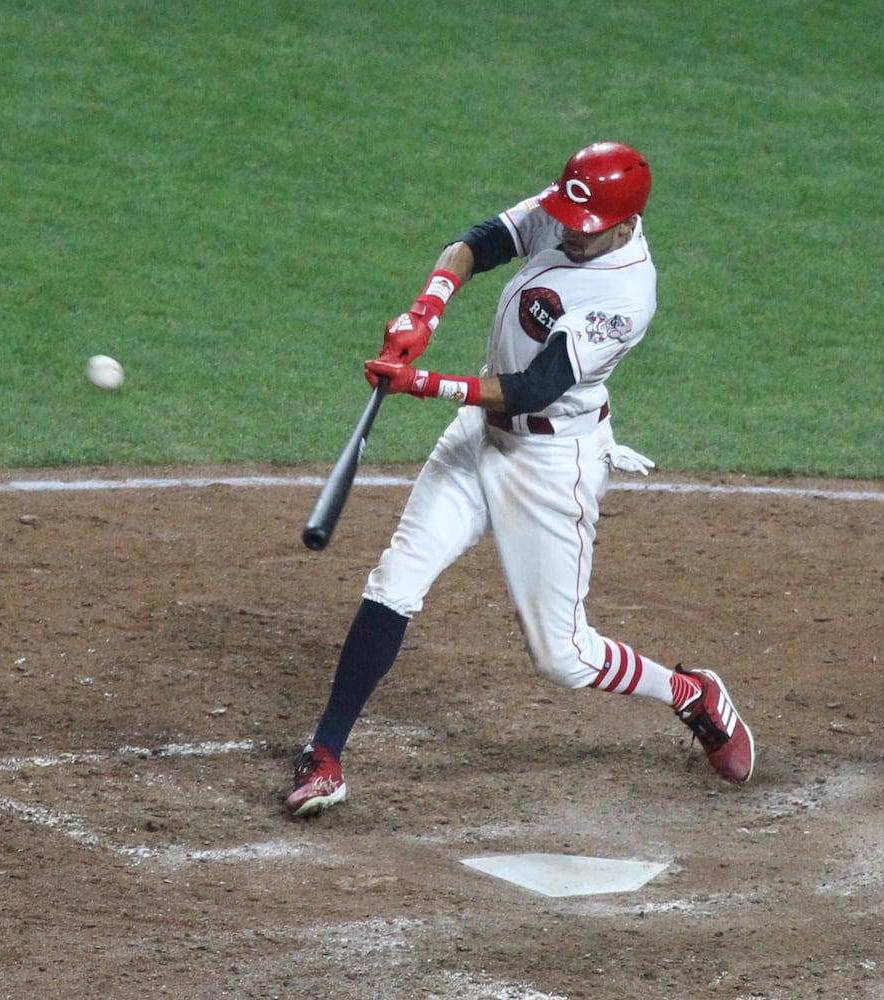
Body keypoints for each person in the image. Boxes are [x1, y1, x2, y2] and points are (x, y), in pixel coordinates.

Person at [284, 141, 755, 818]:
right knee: (397, 578)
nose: (566, 230)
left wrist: (422, 382)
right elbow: (480, 241)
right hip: (479, 433)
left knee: (562, 658)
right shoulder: (574, 209)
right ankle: (326, 752)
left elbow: (534, 389)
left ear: (625, 226)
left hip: (549, 461)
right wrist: (426, 309)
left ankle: (690, 694)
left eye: (585, 228)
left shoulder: (623, 295)